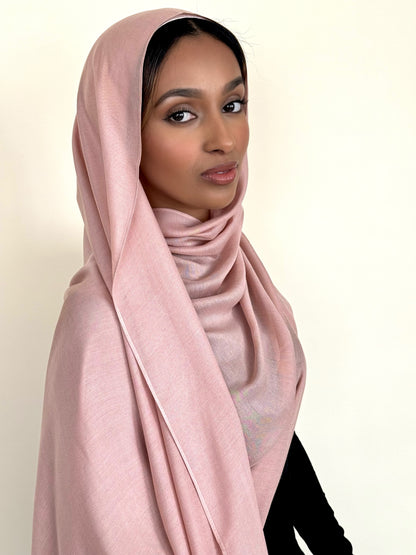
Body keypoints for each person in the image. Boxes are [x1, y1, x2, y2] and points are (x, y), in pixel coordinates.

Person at [32, 8, 353, 554]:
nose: (224, 139)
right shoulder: (100, 320)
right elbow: (108, 525)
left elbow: (268, 444)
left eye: (233, 105)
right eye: (181, 114)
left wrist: (334, 543)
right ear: (118, 135)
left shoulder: (243, 280)